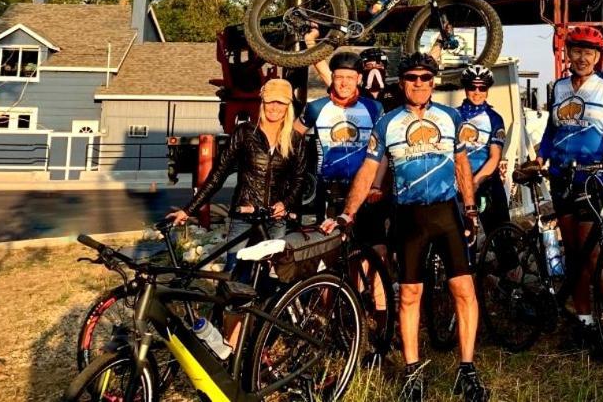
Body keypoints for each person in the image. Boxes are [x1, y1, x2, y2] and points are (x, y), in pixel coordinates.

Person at [322, 52, 489, 402]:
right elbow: (369, 170)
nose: (419, 83)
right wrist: (347, 213)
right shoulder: (387, 122)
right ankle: (413, 372)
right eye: (412, 77)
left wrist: (470, 208)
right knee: (410, 294)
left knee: (464, 289)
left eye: (426, 78)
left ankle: (467, 369)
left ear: (433, 82)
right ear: (402, 82)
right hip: (408, 216)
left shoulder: (451, 117)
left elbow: (461, 166)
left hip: (446, 213)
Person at [167, 78, 306, 345]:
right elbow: (218, 175)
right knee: (235, 278)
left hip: (274, 221)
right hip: (244, 216)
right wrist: (190, 210)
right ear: (262, 103)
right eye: (270, 102)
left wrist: (285, 204)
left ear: (288, 106)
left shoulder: (295, 140)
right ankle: (231, 343)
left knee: (271, 279)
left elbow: (299, 180)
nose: (274, 108)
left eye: (281, 103)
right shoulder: (245, 133)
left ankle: (261, 341)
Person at [536, 25, 603, 346]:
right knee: (573, 254)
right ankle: (584, 322)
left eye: (589, 53)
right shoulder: (559, 87)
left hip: (594, 178)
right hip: (561, 177)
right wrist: (540, 157)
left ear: (598, 57)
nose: (582, 58)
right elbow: (551, 132)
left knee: (592, 255)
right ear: (568, 53)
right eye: (576, 51)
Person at [296, 51, 388, 248]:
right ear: (332, 78)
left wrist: (376, 186)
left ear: (359, 79)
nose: (344, 83)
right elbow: (291, 142)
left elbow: (383, 152)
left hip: (364, 189)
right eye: (339, 77)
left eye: (350, 77)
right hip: (329, 189)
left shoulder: (374, 107)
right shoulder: (316, 108)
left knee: (374, 249)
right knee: (331, 249)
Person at [455, 64, 509, 235]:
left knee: (501, 237)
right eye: (472, 87)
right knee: (463, 240)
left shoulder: (494, 118)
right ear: (465, 88)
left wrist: (475, 181)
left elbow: (495, 157)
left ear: (487, 90)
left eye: (482, 87)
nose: (477, 92)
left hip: (486, 183)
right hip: (458, 184)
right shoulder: (452, 115)